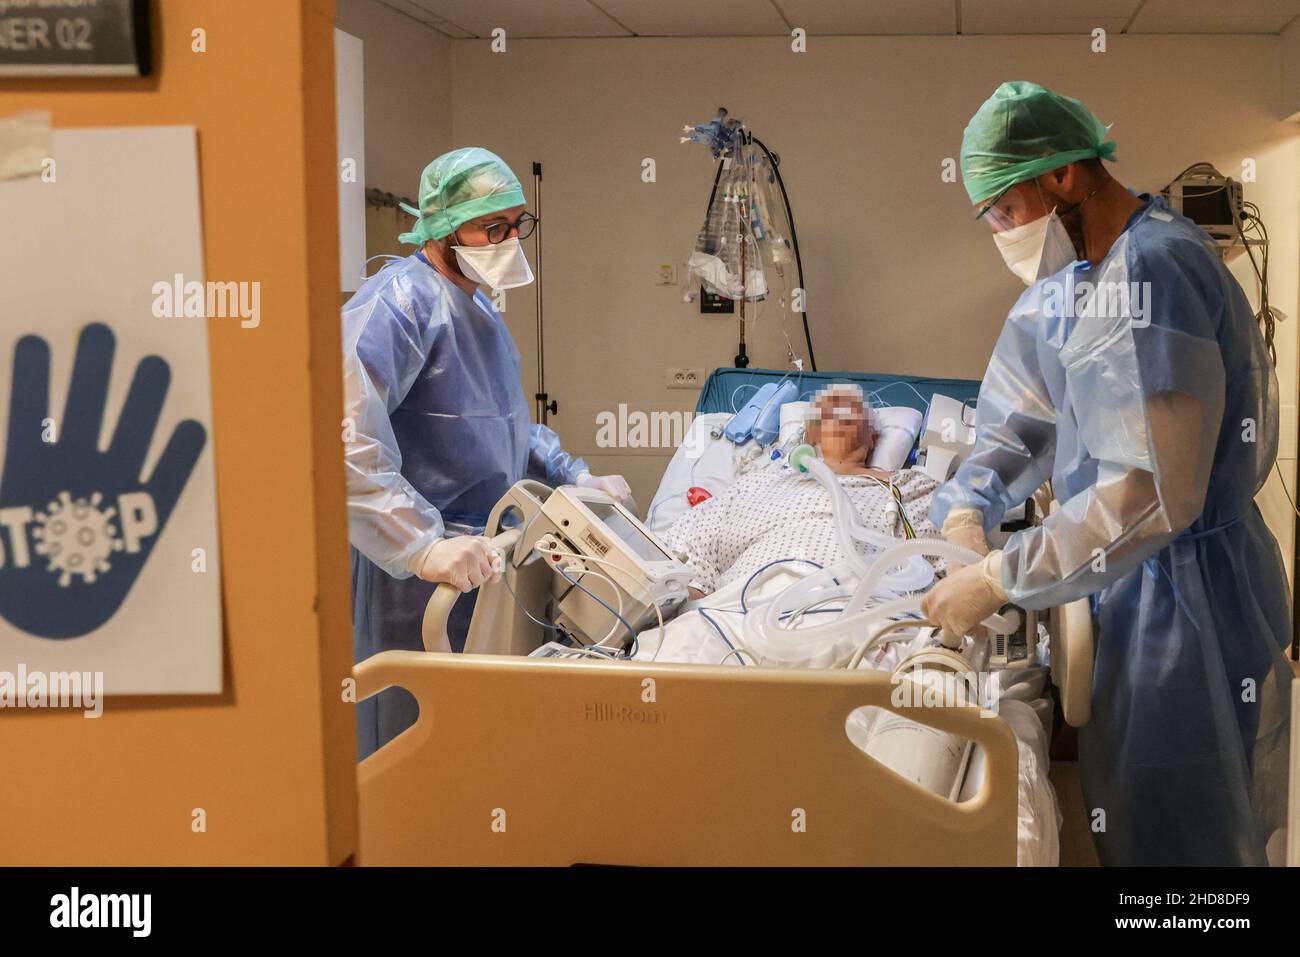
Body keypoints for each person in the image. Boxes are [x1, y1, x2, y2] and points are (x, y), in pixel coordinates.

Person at [922, 81, 1292, 865]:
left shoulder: (1158, 270)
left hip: (1189, 601)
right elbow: (1020, 421)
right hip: (1125, 592)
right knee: (1135, 820)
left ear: (1062, 175)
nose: (1001, 234)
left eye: (1004, 210)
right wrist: (966, 506)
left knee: (1189, 834)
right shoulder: (1074, 284)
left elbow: (1151, 494)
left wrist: (998, 576)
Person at [342, 147, 630, 758]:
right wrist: (420, 546)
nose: (509, 241)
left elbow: (506, 423)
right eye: (491, 227)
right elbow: (344, 438)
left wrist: (575, 476)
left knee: (473, 742)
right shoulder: (397, 304)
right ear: (444, 227)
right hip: (413, 575)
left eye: (517, 224)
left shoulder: (478, 312)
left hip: (485, 555)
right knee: (409, 741)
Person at [666, 385, 944, 599]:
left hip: (870, 618)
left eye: (852, 410)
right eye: (826, 412)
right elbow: (693, 565)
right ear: (808, 436)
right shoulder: (756, 485)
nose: (839, 412)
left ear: (873, 436)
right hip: (743, 613)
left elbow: (953, 568)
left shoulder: (912, 488)